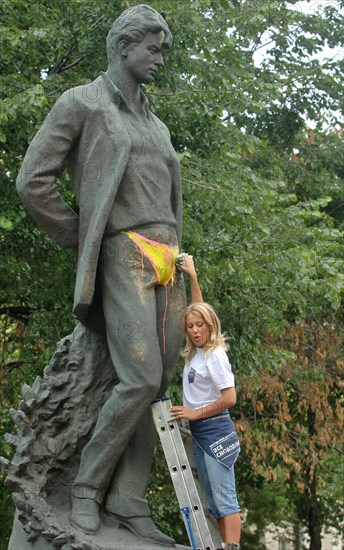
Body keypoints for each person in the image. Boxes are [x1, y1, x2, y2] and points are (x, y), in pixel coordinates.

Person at [16, 5, 185, 546]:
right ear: (123, 46)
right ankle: (86, 489)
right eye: (153, 48)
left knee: (156, 382)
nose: (160, 58)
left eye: (163, 49)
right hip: (124, 251)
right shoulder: (82, 103)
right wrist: (84, 237)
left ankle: (128, 499)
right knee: (138, 375)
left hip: (170, 260)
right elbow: (32, 181)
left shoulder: (155, 123)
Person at [171, 256, 241, 550]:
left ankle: (232, 546)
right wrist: (192, 277)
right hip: (199, 433)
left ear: (210, 327)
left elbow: (230, 398)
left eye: (201, 326)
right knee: (212, 500)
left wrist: (193, 413)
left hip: (215, 430)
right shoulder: (196, 352)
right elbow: (198, 310)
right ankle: (223, 545)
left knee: (225, 499)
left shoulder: (214, 355)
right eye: (191, 326)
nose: (196, 330)